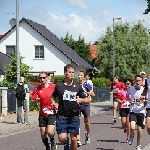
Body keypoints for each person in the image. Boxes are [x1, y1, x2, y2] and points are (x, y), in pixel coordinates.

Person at [51, 64, 90, 150]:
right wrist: (54, 103)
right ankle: (65, 142)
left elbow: (87, 99)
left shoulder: (77, 86)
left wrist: (81, 100)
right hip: (62, 116)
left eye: (73, 72)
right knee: (62, 138)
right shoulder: (59, 86)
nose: (72, 74)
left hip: (74, 116)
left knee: (74, 139)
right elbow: (53, 96)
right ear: (65, 73)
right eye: (70, 72)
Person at [31, 72, 57, 150]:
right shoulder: (37, 88)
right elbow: (32, 100)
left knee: (50, 132)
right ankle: (47, 147)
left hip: (51, 113)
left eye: (43, 77)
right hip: (42, 113)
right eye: (40, 78)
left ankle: (53, 141)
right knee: (43, 134)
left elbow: (60, 95)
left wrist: (57, 103)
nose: (42, 79)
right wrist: (36, 100)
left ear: (47, 78)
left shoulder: (53, 87)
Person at [127, 74, 146, 150]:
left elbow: (147, 100)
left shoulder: (144, 90)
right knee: (132, 126)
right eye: (137, 80)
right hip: (133, 111)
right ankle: (132, 135)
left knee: (139, 129)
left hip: (141, 111)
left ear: (142, 81)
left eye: (139, 81)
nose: (138, 82)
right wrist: (130, 101)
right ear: (135, 81)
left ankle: (138, 145)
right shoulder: (131, 88)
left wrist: (144, 100)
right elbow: (127, 95)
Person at [77, 71, 95, 146]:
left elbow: (93, 94)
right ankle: (78, 140)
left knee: (87, 122)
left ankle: (87, 134)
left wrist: (87, 92)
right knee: (76, 121)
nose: (79, 76)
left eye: (81, 75)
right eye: (78, 75)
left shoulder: (86, 84)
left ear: (84, 77)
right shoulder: (76, 85)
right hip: (78, 104)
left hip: (86, 104)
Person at [117, 78, 132, 143]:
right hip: (123, 108)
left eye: (128, 83)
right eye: (126, 83)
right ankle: (125, 128)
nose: (127, 85)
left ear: (131, 84)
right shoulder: (121, 91)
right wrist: (121, 101)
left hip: (130, 108)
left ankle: (128, 137)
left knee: (128, 123)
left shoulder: (133, 91)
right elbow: (117, 99)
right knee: (123, 124)